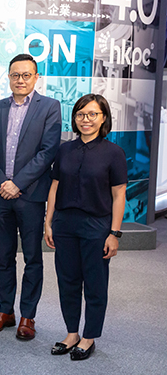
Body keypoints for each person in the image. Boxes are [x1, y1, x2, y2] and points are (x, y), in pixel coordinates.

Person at [0, 53, 61, 340]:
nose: (20, 80)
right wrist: (2, 182)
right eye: (15, 75)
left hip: (30, 195)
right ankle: (6, 310)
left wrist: (16, 183)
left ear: (36, 77)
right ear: (8, 77)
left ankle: (28, 315)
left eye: (26, 75)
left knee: (32, 257)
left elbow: (47, 151)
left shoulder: (50, 107)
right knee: (4, 257)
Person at [44, 94, 126, 360]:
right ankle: (71, 333)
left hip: (96, 226)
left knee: (94, 283)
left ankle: (89, 336)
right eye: (81, 114)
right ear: (75, 118)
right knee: (67, 281)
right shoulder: (64, 149)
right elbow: (54, 187)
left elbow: (119, 195)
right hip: (65, 224)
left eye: (93, 114)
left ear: (104, 118)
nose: (86, 120)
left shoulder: (114, 153)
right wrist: (48, 222)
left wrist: (114, 233)